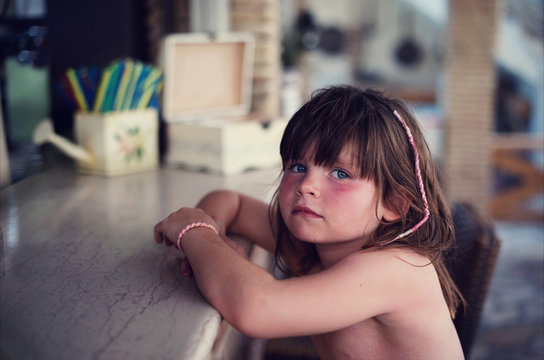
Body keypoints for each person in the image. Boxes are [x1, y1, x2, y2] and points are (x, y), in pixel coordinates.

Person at [154, 85, 465, 359]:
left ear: (394, 204)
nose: (306, 186)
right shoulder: (316, 246)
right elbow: (229, 202)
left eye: (340, 173)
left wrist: (196, 234)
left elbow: (258, 308)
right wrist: (215, 237)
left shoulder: (395, 268)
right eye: (298, 166)